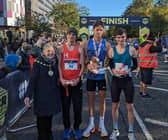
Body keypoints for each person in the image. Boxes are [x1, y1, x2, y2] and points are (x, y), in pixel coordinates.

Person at [24, 42, 61, 140]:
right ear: (43, 52)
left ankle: (49, 135)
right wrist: (28, 95)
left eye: (52, 51)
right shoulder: (38, 63)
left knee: (49, 118)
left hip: (52, 95)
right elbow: (32, 80)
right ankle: (42, 137)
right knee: (41, 120)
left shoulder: (55, 62)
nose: (50, 53)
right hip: (41, 97)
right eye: (48, 51)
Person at [107, 28, 137, 140]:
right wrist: (113, 71)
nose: (121, 39)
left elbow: (135, 65)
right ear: (116, 38)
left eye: (123, 37)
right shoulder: (111, 50)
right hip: (116, 80)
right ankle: (115, 130)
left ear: (126, 37)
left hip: (127, 80)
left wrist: (128, 70)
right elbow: (110, 65)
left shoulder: (132, 49)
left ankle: (131, 131)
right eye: (118, 37)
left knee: (130, 106)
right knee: (115, 105)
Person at [83, 21, 111, 138]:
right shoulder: (86, 43)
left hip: (101, 76)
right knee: (90, 100)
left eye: (100, 30)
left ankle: (101, 124)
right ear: (93, 30)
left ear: (103, 31)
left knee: (102, 100)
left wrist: (105, 66)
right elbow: (83, 58)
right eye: (96, 29)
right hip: (90, 76)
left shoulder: (107, 44)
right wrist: (87, 64)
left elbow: (110, 58)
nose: (98, 32)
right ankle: (91, 124)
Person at [58, 27, 84, 140]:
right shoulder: (61, 49)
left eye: (73, 34)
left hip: (76, 82)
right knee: (65, 108)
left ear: (76, 36)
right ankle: (67, 128)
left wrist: (78, 78)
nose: (71, 36)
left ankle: (77, 127)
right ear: (66, 35)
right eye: (69, 34)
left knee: (77, 107)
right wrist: (61, 79)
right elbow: (59, 65)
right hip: (64, 83)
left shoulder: (80, 49)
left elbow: (82, 66)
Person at [139, 32, 162, 98]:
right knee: (146, 81)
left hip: (142, 64)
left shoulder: (142, 44)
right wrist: (158, 42)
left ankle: (141, 91)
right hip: (148, 65)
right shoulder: (150, 46)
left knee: (143, 80)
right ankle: (144, 93)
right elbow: (159, 49)